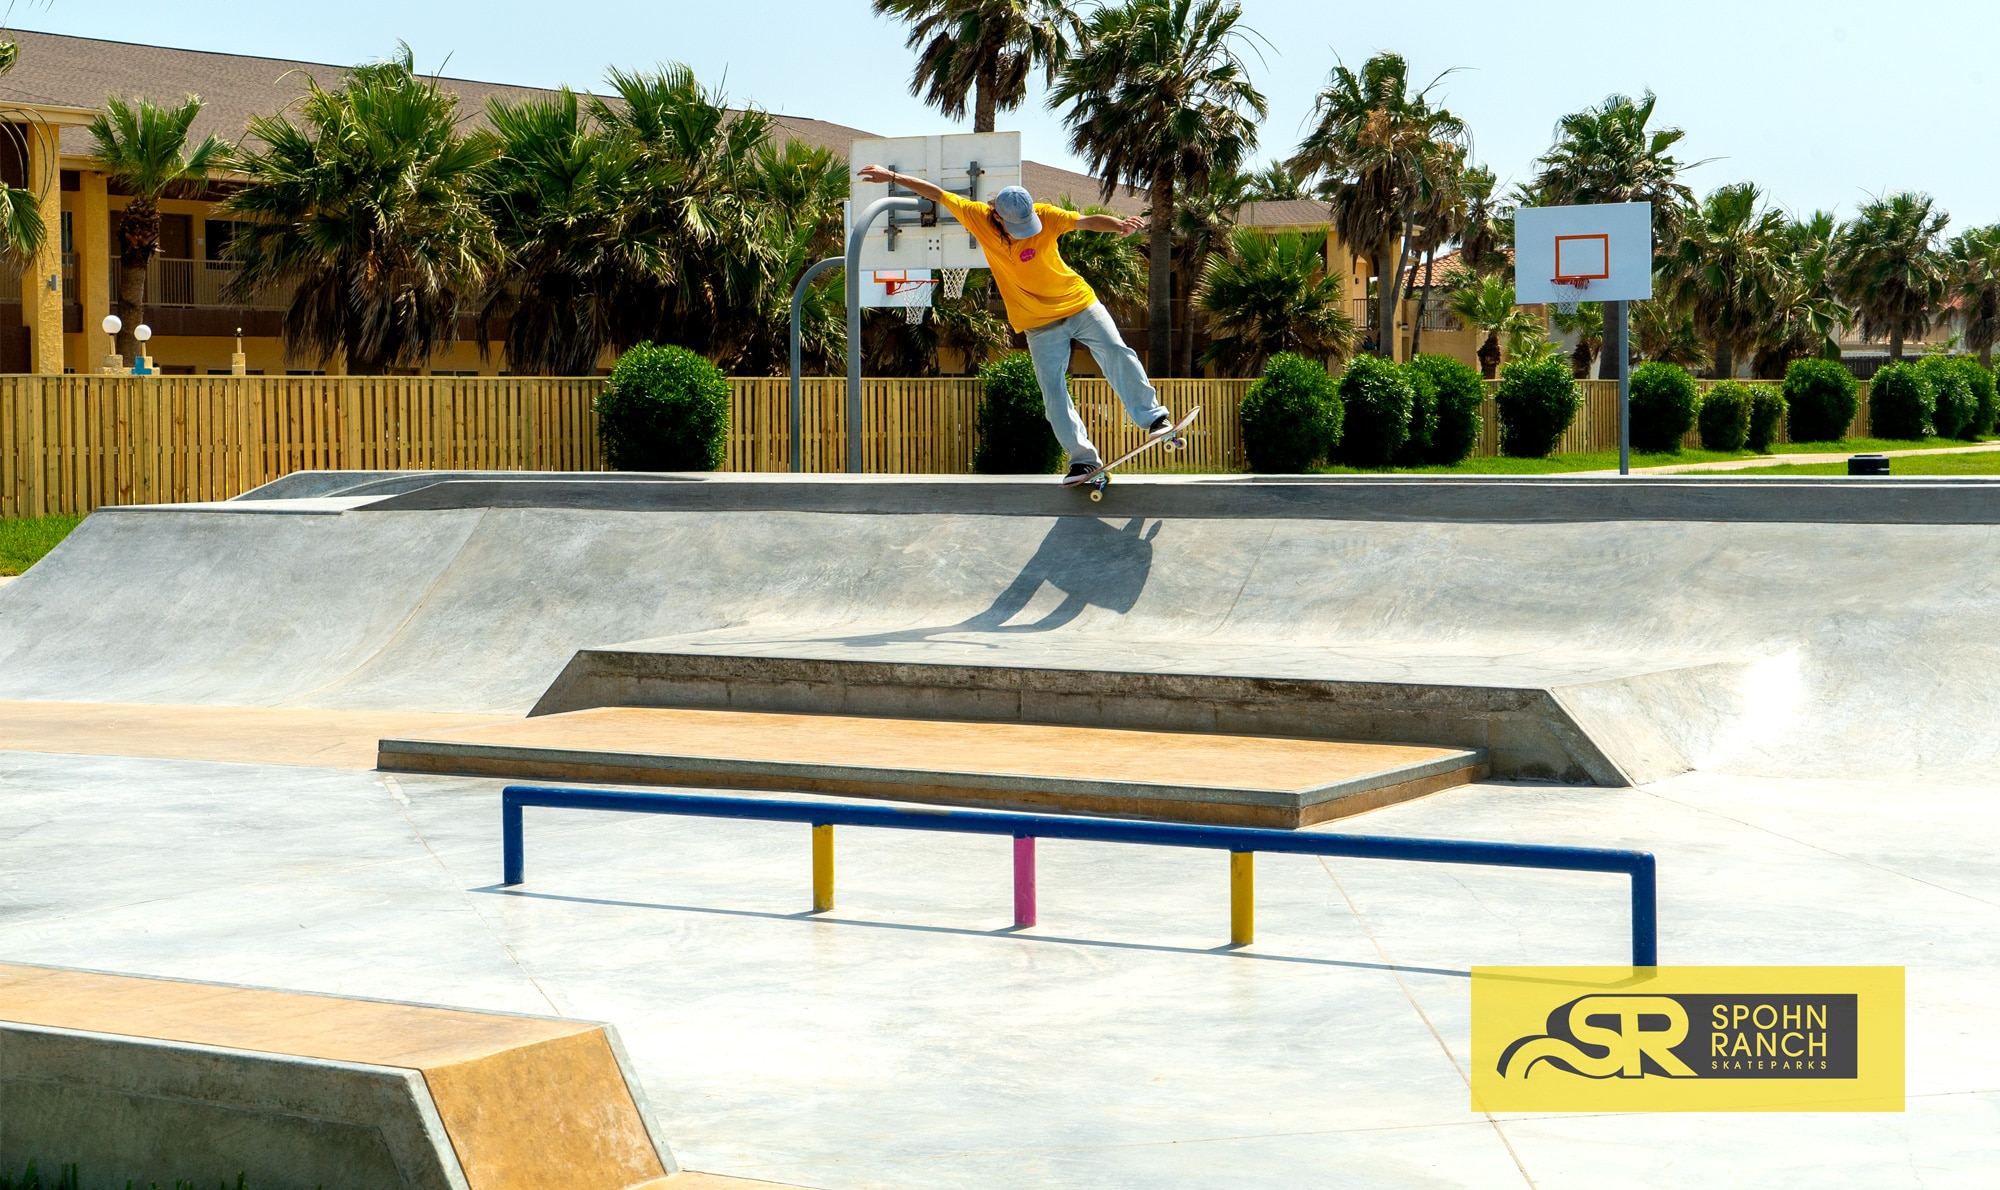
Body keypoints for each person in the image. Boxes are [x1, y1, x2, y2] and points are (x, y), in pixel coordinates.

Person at [856, 164, 1174, 479]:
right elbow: (938, 194)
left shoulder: (1046, 215)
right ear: (997, 216)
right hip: (1038, 324)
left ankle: (1154, 418)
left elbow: (1085, 221)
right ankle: (1083, 459)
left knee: (1117, 351)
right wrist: (893, 177)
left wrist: (1118, 224)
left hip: (1079, 304)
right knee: (1053, 393)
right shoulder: (977, 216)